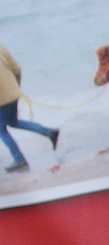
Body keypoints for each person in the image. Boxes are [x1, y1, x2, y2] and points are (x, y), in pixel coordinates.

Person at [0, 43, 59, 175]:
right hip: (13, 93)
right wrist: (16, 89)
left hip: (2, 99)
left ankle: (19, 159)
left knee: (1, 129)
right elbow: (17, 69)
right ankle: (49, 133)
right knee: (13, 121)